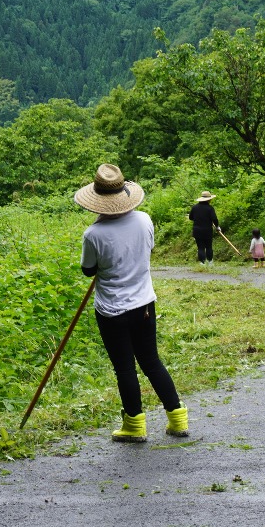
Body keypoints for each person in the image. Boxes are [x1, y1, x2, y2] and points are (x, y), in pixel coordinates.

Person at [74, 163, 189, 442]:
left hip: (112, 310)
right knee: (151, 361)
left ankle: (134, 425)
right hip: (145, 305)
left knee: (125, 367)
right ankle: (177, 418)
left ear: (98, 200)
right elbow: (145, 250)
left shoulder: (94, 234)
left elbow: (89, 270)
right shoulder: (144, 220)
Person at [188, 190, 221, 265]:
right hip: (207, 230)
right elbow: (214, 219)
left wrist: (198, 219)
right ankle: (210, 262)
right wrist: (217, 226)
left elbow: (190, 217)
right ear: (209, 199)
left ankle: (202, 263)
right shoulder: (210, 208)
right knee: (209, 246)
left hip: (197, 230)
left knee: (200, 247)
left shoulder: (195, 207)